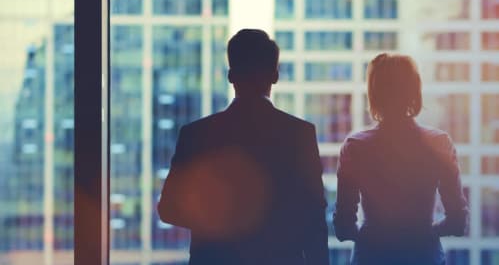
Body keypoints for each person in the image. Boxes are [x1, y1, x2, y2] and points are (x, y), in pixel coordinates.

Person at [157, 29, 329, 265]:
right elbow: (314, 217)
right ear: (275, 75)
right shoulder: (299, 134)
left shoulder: (195, 134)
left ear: (230, 76)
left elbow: (169, 208)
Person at [333, 54, 469, 265]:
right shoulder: (438, 144)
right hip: (424, 256)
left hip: (372, 257)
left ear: (374, 94)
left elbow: (343, 228)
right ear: (414, 92)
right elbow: (458, 223)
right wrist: (426, 231)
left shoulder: (355, 147)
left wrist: (371, 235)